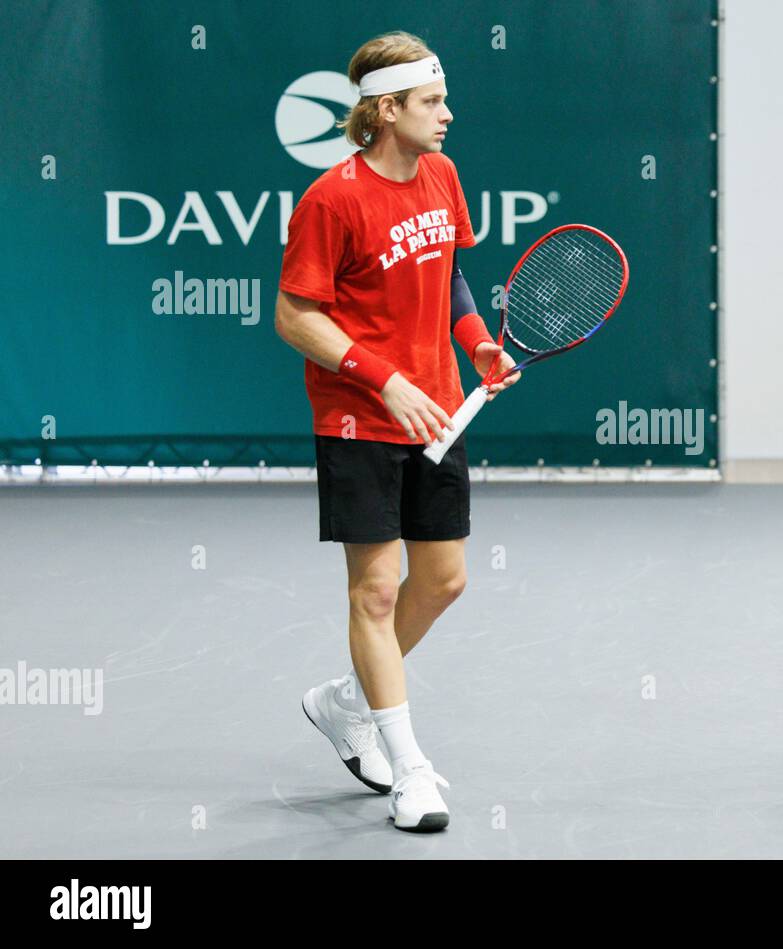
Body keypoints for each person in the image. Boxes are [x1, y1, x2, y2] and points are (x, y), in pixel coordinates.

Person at [275, 31, 517, 829]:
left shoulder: (442, 175)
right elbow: (294, 315)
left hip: (440, 409)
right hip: (359, 418)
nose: (448, 115)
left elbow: (449, 273)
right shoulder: (332, 199)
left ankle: (346, 702)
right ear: (386, 111)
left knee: (444, 580)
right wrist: (384, 378)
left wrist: (477, 340)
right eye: (432, 102)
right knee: (376, 590)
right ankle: (409, 770)